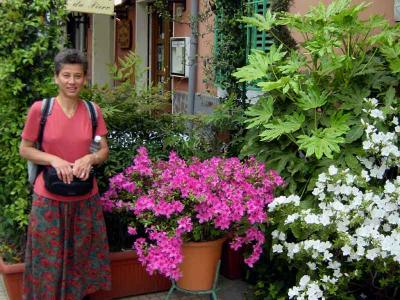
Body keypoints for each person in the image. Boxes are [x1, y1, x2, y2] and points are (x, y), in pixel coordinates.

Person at [19, 49, 111, 300]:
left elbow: (102, 150)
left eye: (78, 76)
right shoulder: (41, 110)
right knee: (46, 261)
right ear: (56, 78)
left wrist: (90, 157)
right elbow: (25, 149)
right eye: (66, 75)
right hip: (48, 200)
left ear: (84, 79)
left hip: (85, 199)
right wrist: (53, 159)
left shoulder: (92, 111)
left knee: (80, 259)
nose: (72, 81)